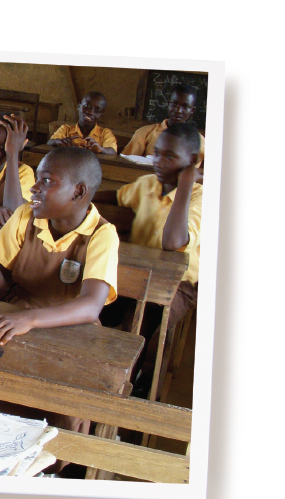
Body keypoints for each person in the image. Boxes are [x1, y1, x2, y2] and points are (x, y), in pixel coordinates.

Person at [0, 147, 118, 438]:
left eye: (47, 181)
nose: (34, 188)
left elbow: (90, 306)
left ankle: (53, 466)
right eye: (37, 178)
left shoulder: (101, 234)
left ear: (78, 192)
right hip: (16, 314)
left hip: (71, 332)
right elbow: (1, 280)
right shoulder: (26, 216)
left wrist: (31, 319)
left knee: (58, 415)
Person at [95, 123, 202, 397]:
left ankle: (127, 387)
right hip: (134, 273)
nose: (158, 162)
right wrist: (81, 196)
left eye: (170, 157)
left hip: (177, 285)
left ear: (192, 161)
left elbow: (173, 242)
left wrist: (187, 184)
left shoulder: (203, 199)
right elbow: (117, 197)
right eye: (157, 153)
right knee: (95, 307)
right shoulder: (147, 184)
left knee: (138, 323)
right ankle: (94, 372)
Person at [122, 84, 205, 164]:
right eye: (175, 104)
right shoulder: (145, 132)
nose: (178, 110)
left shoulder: (199, 141)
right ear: (168, 103)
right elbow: (126, 161)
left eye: (185, 106)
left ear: (192, 110)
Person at [48, 92, 117, 155]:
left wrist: (100, 149)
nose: (90, 112)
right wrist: (59, 142)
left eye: (96, 110)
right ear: (79, 106)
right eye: (87, 106)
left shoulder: (105, 133)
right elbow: (50, 143)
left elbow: (112, 151)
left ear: (101, 116)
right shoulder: (66, 129)